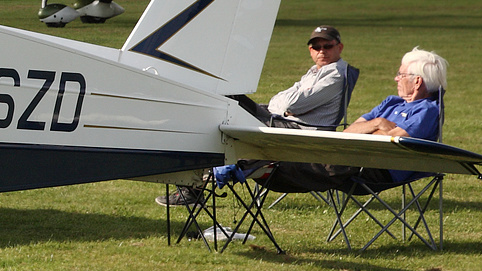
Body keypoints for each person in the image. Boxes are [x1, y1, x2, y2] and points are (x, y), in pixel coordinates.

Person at [158, 26, 352, 206]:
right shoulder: (316, 71)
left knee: (222, 118)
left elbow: (290, 103)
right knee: (226, 96)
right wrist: (282, 106)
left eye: (327, 46)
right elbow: (282, 100)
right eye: (316, 46)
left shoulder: (335, 75)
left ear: (339, 47)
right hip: (280, 119)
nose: (321, 51)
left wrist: (283, 106)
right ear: (310, 50)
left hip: (298, 130)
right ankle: (194, 183)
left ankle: (193, 187)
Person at [219, 47, 447, 194]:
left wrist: (371, 133)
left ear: (417, 82)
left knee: (317, 160)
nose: (396, 78)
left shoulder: (427, 110)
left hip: (378, 167)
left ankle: (258, 166)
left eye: (402, 74)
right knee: (312, 153)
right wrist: (377, 124)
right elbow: (350, 131)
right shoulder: (392, 103)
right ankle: (259, 166)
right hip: (351, 157)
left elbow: (394, 142)